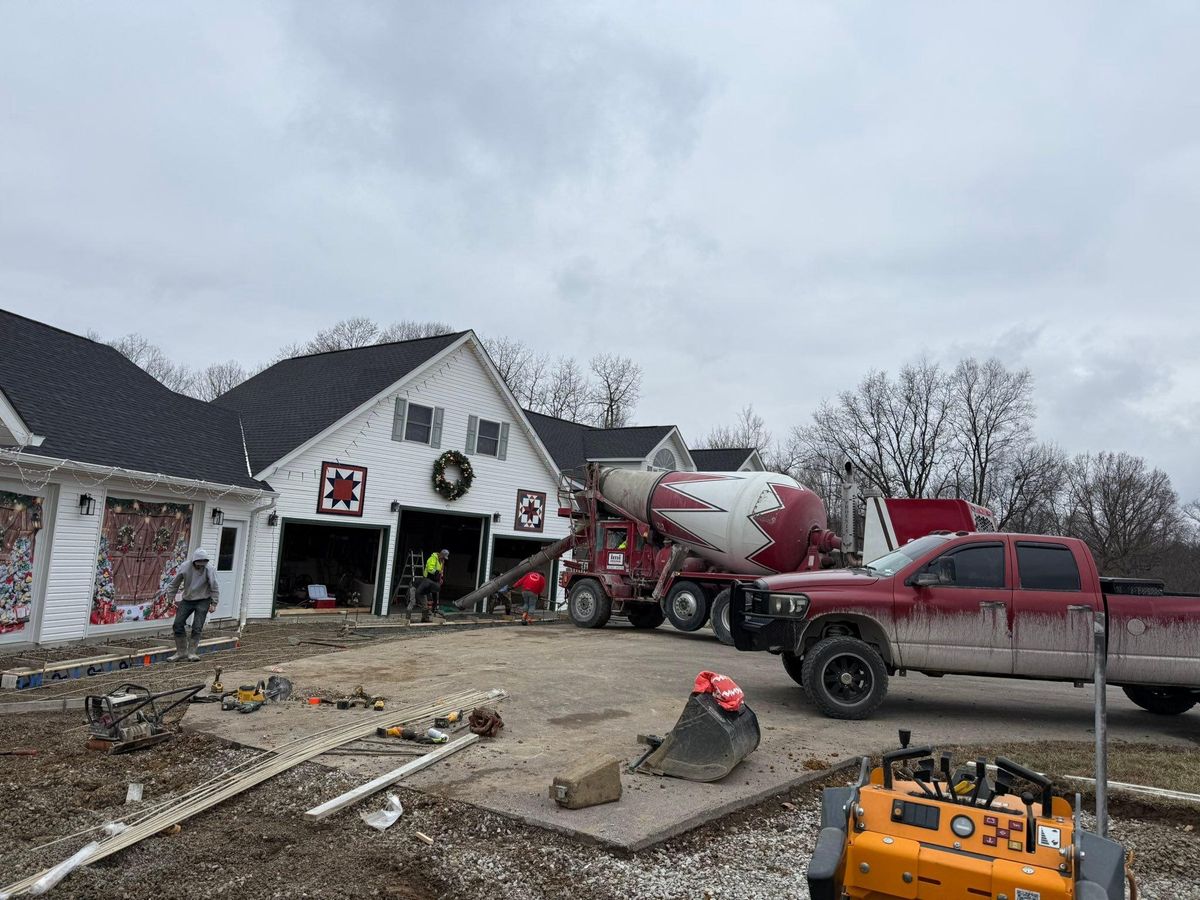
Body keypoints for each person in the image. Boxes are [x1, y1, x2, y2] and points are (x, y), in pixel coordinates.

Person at [166, 548, 220, 661]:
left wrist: (214, 603)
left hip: (203, 600)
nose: (201, 566)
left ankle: (192, 653)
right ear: (194, 561)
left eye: (203, 564)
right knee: (177, 624)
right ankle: (181, 652)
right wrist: (170, 598)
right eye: (198, 564)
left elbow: (214, 586)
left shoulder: (210, 569)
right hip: (187, 599)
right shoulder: (185, 567)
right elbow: (174, 584)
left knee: (197, 626)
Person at [408, 549, 449, 623]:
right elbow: (430, 569)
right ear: (441, 555)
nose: (443, 559)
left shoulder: (442, 561)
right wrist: (437, 573)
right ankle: (407, 618)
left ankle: (424, 618)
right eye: (443, 557)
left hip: (430, 582)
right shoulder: (432, 559)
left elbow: (433, 594)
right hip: (417, 585)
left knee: (425, 604)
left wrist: (440, 577)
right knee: (412, 602)